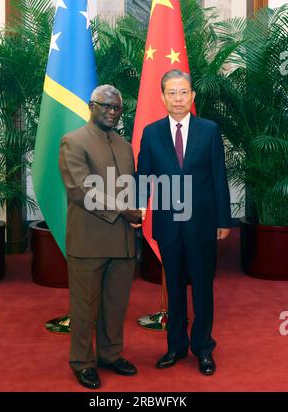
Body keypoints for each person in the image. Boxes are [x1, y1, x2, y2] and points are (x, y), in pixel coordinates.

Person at [137, 69, 231, 376]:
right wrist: (138, 207)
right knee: (174, 288)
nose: (178, 98)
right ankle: (175, 346)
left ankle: (203, 348)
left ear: (193, 96)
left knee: (203, 288)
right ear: (162, 97)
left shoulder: (210, 130)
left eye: (183, 92)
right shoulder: (151, 133)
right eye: (172, 93)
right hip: (168, 224)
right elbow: (145, 176)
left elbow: (218, 176)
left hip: (202, 224)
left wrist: (223, 219)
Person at [59, 85, 141, 389]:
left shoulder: (124, 145)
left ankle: (110, 354)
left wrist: (138, 213)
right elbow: (81, 190)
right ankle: (82, 362)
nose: (111, 111)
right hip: (89, 240)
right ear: (91, 106)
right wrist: (125, 211)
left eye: (117, 107)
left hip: (122, 240)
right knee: (84, 307)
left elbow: (130, 187)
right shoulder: (73, 141)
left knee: (115, 304)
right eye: (105, 105)